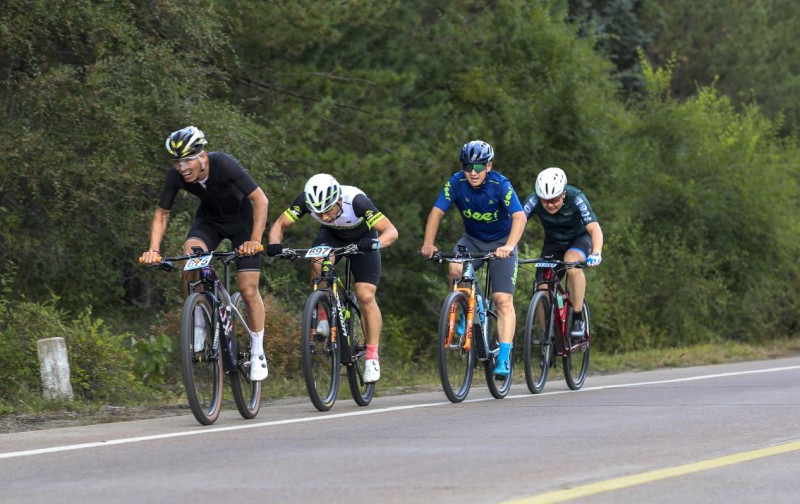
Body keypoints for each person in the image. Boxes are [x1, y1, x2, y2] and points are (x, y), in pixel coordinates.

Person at [139, 126, 270, 381]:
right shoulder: (176, 176)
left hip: (241, 224)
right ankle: (198, 319)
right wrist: (153, 250)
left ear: (202, 155)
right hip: (209, 222)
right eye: (177, 162)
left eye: (187, 160)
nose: (182, 168)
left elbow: (260, 200)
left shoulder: (224, 164)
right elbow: (161, 213)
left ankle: (257, 351)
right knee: (190, 257)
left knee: (248, 289)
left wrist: (254, 241)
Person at [266, 173, 398, 383]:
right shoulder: (306, 201)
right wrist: (274, 244)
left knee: (365, 295)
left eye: (328, 210)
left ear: (338, 200)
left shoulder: (356, 201)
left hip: (363, 238)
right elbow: (280, 225)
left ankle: (372, 357)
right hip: (331, 236)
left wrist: (376, 243)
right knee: (317, 261)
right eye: (318, 212)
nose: (325, 216)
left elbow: (391, 231)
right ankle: (323, 315)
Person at [419, 140, 526, 377]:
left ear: (489, 166)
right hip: (472, 239)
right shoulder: (456, 182)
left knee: (502, 299)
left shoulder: (500, 184)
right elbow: (436, 212)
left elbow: (519, 217)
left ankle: (504, 357)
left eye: (478, 167)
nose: (473, 173)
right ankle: (465, 307)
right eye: (467, 167)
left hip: (501, 243)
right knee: (455, 269)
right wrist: (428, 243)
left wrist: (509, 246)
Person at [521, 167, 603, 339]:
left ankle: (578, 317)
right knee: (542, 288)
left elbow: (594, 229)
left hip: (579, 240)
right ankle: (549, 337)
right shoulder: (533, 200)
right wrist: (506, 246)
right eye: (545, 201)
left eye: (555, 200)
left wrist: (596, 252)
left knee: (571, 263)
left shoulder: (576, 197)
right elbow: (517, 223)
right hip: (553, 244)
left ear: (563, 194)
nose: (550, 205)